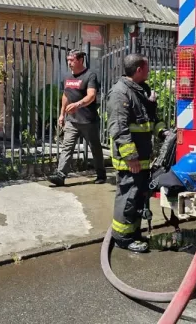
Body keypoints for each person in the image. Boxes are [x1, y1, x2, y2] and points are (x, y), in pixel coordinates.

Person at [106, 53, 159, 253]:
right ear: (139, 70)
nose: (149, 70)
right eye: (147, 67)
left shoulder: (140, 90)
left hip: (142, 158)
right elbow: (118, 128)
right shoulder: (120, 93)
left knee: (137, 196)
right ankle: (122, 238)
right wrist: (131, 157)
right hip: (130, 160)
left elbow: (147, 120)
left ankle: (133, 233)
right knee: (128, 197)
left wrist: (161, 130)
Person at [50, 49, 107, 186]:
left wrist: (78, 104)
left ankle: (101, 174)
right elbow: (65, 96)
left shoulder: (90, 76)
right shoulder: (67, 77)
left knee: (95, 148)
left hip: (88, 121)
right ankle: (60, 175)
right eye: (68, 59)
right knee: (67, 147)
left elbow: (91, 95)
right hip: (72, 120)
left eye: (72, 60)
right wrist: (62, 114)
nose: (69, 62)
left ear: (80, 60)